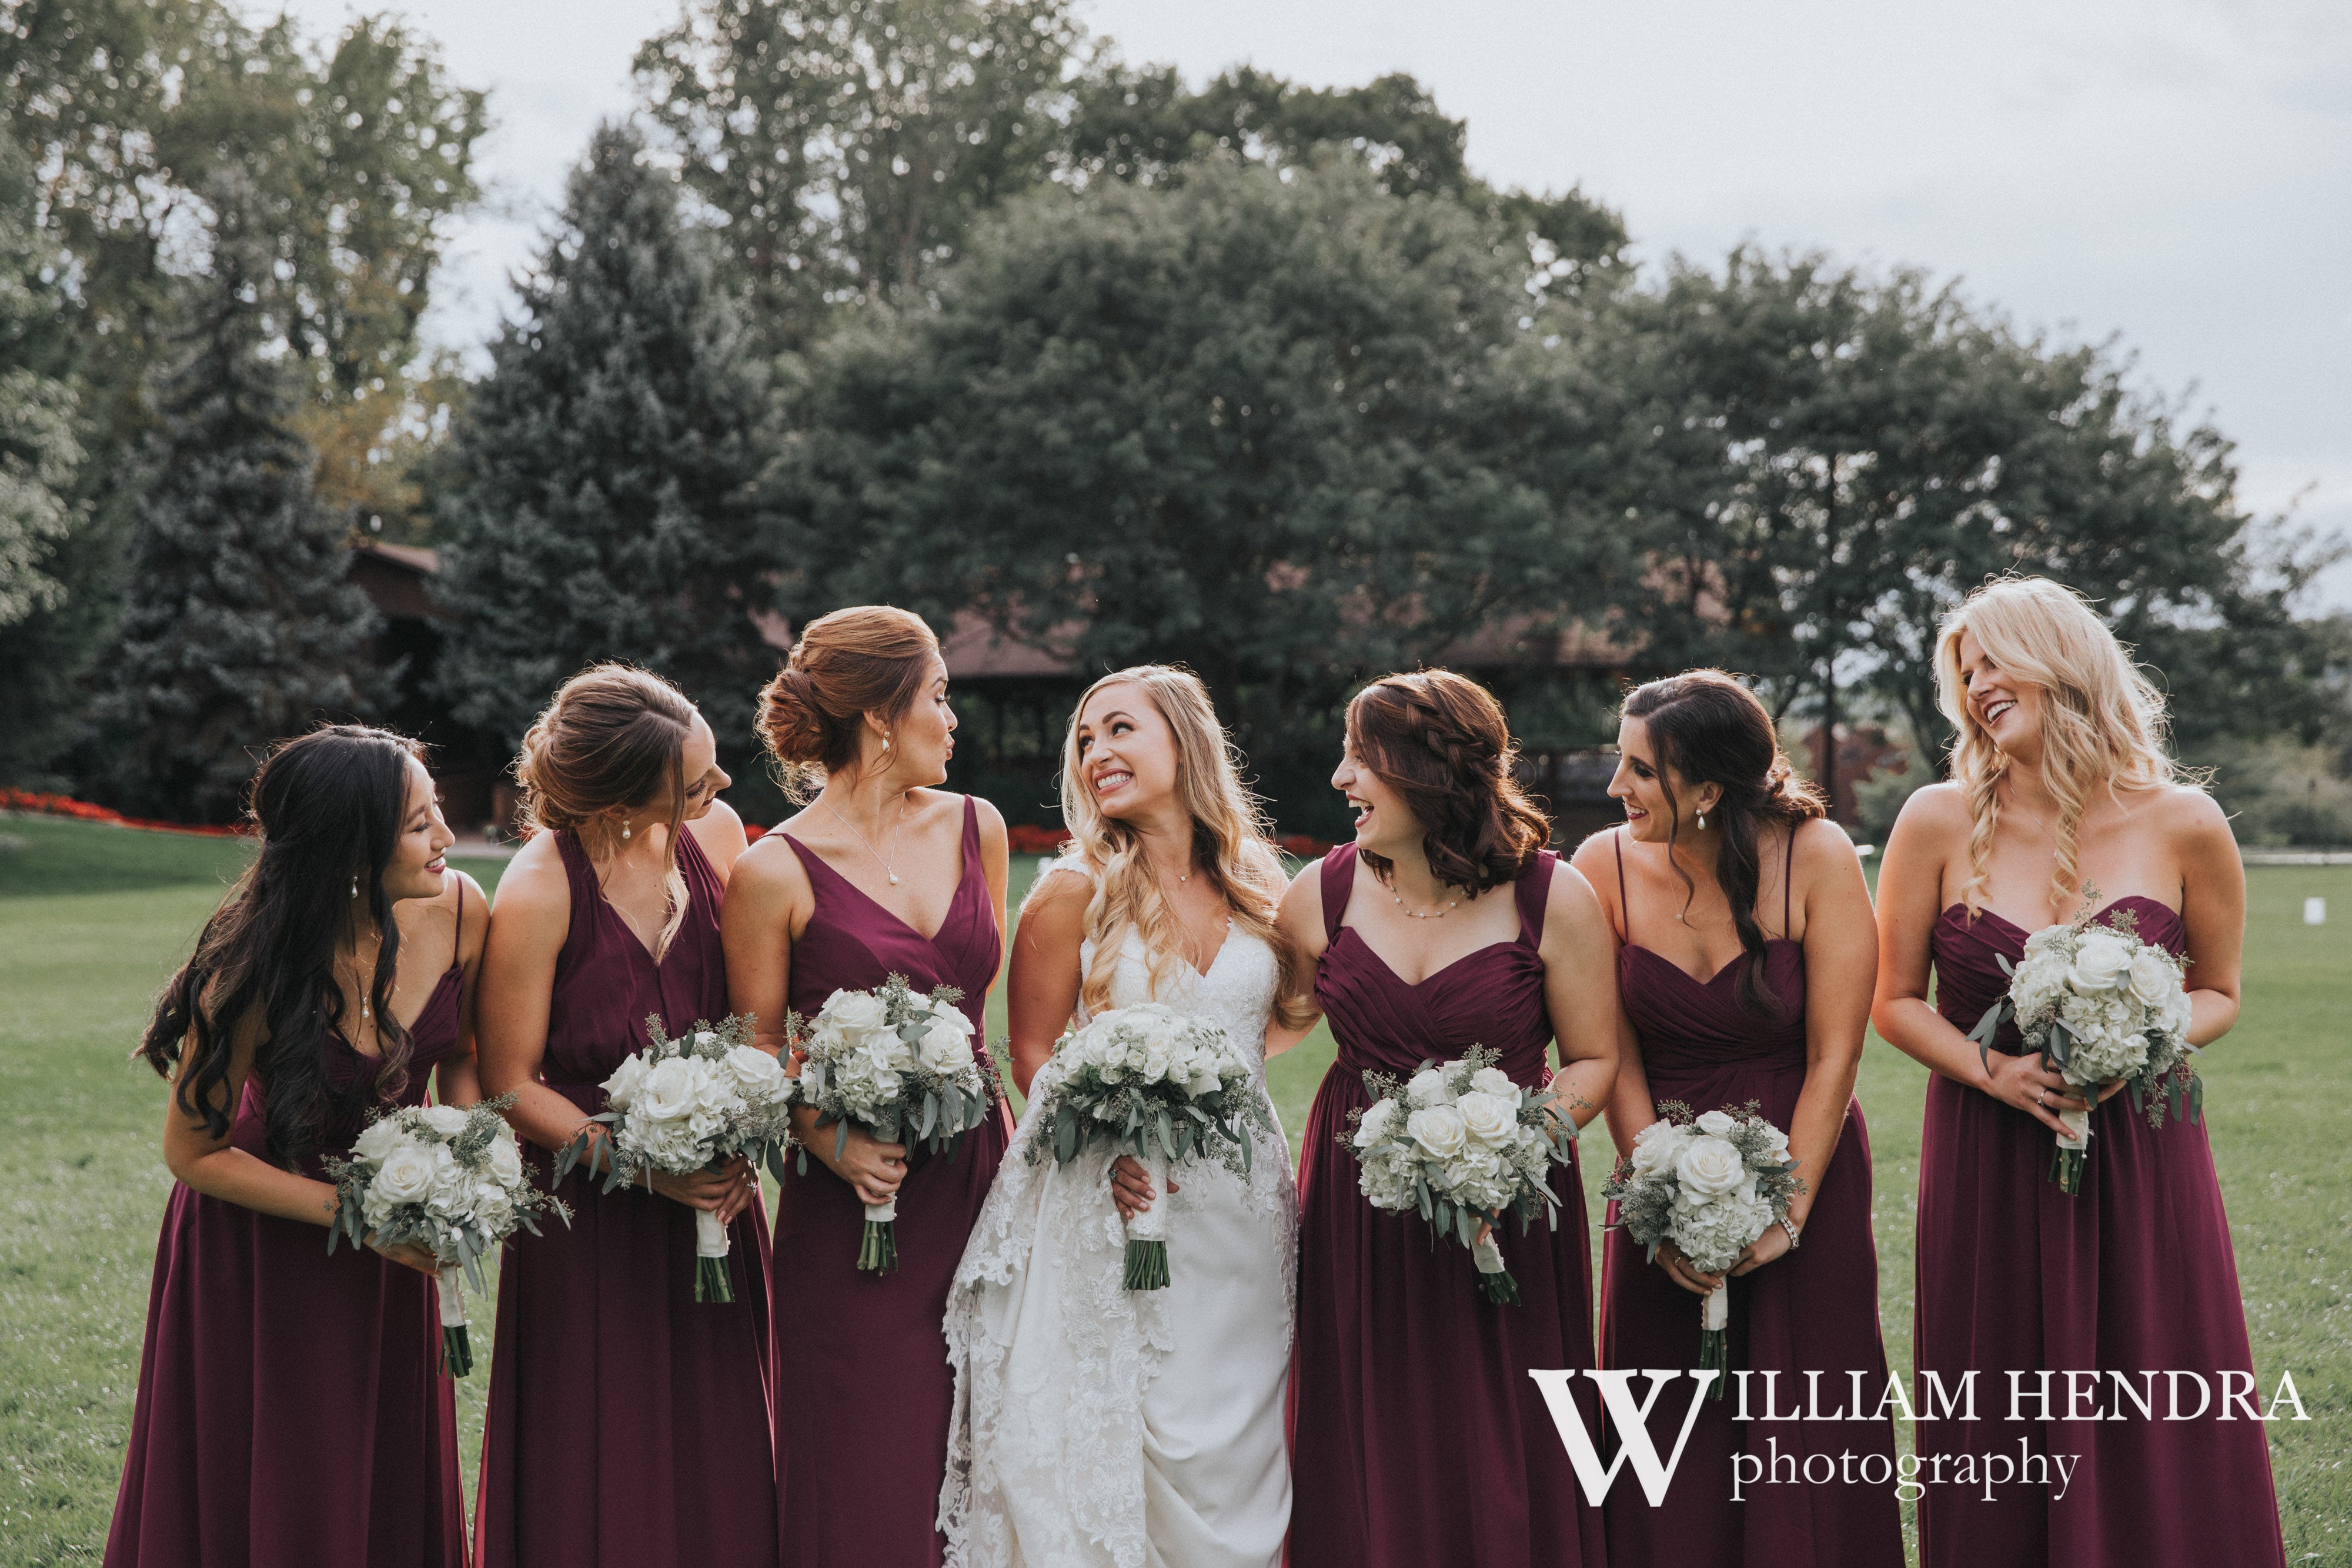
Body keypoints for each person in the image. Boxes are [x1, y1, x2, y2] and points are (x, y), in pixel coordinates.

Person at [1872, 576, 2285, 1567]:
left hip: (2141, 1150)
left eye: (1995, 661)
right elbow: (1892, 1001)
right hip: (1986, 1153)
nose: (1977, 685)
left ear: (2062, 662)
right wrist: (1993, 1073)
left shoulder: (2186, 821)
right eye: (1965, 672)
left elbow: (2220, 993)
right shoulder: (1934, 819)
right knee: (1999, 1394)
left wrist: (2140, 1044)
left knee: (2157, 1377)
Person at [941, 666, 1310, 1568]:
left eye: (1119, 729)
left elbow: (1280, 1023)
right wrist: (1113, 1141)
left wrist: (1217, 1093)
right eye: (1085, 739)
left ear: (1185, 740)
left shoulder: (1259, 881)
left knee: (1246, 1433)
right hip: (1124, 1199)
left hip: (1246, 1214)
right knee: (1128, 1425)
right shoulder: (1071, 891)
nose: (1096, 752)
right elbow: (1032, 1052)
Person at [105, 726, 484, 1568]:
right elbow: (193, 1154)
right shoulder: (249, 969)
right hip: (261, 1241)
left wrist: (465, 1161)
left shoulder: (461, 908)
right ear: (352, 848)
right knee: (284, 1474)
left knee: (380, 1464)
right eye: (420, 824)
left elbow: (461, 1052)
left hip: (395, 1230)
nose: (449, 838)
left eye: (438, 812)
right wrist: (359, 1215)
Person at [1279, 669, 1618, 1568]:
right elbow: (1259, 1028)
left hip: (1508, 1209)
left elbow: (1595, 1060)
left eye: (1360, 759)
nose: (1341, 779)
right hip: (1359, 1209)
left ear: (1426, 771)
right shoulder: (1320, 893)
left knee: (1502, 1426)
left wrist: (1511, 1154)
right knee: (1367, 1420)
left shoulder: (1551, 895)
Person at [1569, 670, 1901, 1566]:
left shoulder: (1818, 854)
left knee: (1809, 1412)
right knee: (1662, 1417)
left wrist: (1790, 1211)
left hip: (1805, 1157)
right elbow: (1613, 1053)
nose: (1616, 786)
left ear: (1710, 789)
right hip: (1656, 1160)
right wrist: (1656, 1194)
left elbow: (1836, 1053)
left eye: (1642, 770)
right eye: (1619, 762)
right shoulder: (1600, 866)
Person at [721, 606, 1011, 1568]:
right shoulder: (772, 871)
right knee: (868, 1470)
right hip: (855, 1213)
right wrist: (826, 1138)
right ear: (882, 716)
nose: (953, 720)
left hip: (983, 1187)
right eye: (939, 696)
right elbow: (756, 1053)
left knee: (993, 1459)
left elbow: (983, 1013)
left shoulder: (978, 827)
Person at [472, 664, 774, 1568]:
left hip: (716, 1196)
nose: (723, 787)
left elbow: (753, 1019)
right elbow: (509, 1080)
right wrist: (642, 1166)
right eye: (696, 781)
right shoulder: (539, 887)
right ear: (620, 801)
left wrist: (739, 1124)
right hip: (591, 1215)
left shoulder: (717, 835)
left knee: (722, 1442)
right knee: (597, 1448)